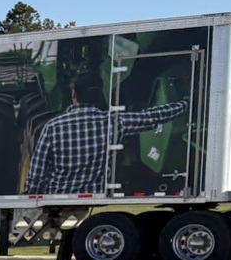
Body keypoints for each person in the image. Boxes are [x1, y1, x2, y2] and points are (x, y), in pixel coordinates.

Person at [26, 74, 186, 194]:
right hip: (95, 195)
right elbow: (151, 117)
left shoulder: (53, 127)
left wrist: (30, 196)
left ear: (74, 95)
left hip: (57, 195)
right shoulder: (112, 122)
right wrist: (184, 104)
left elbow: (38, 170)